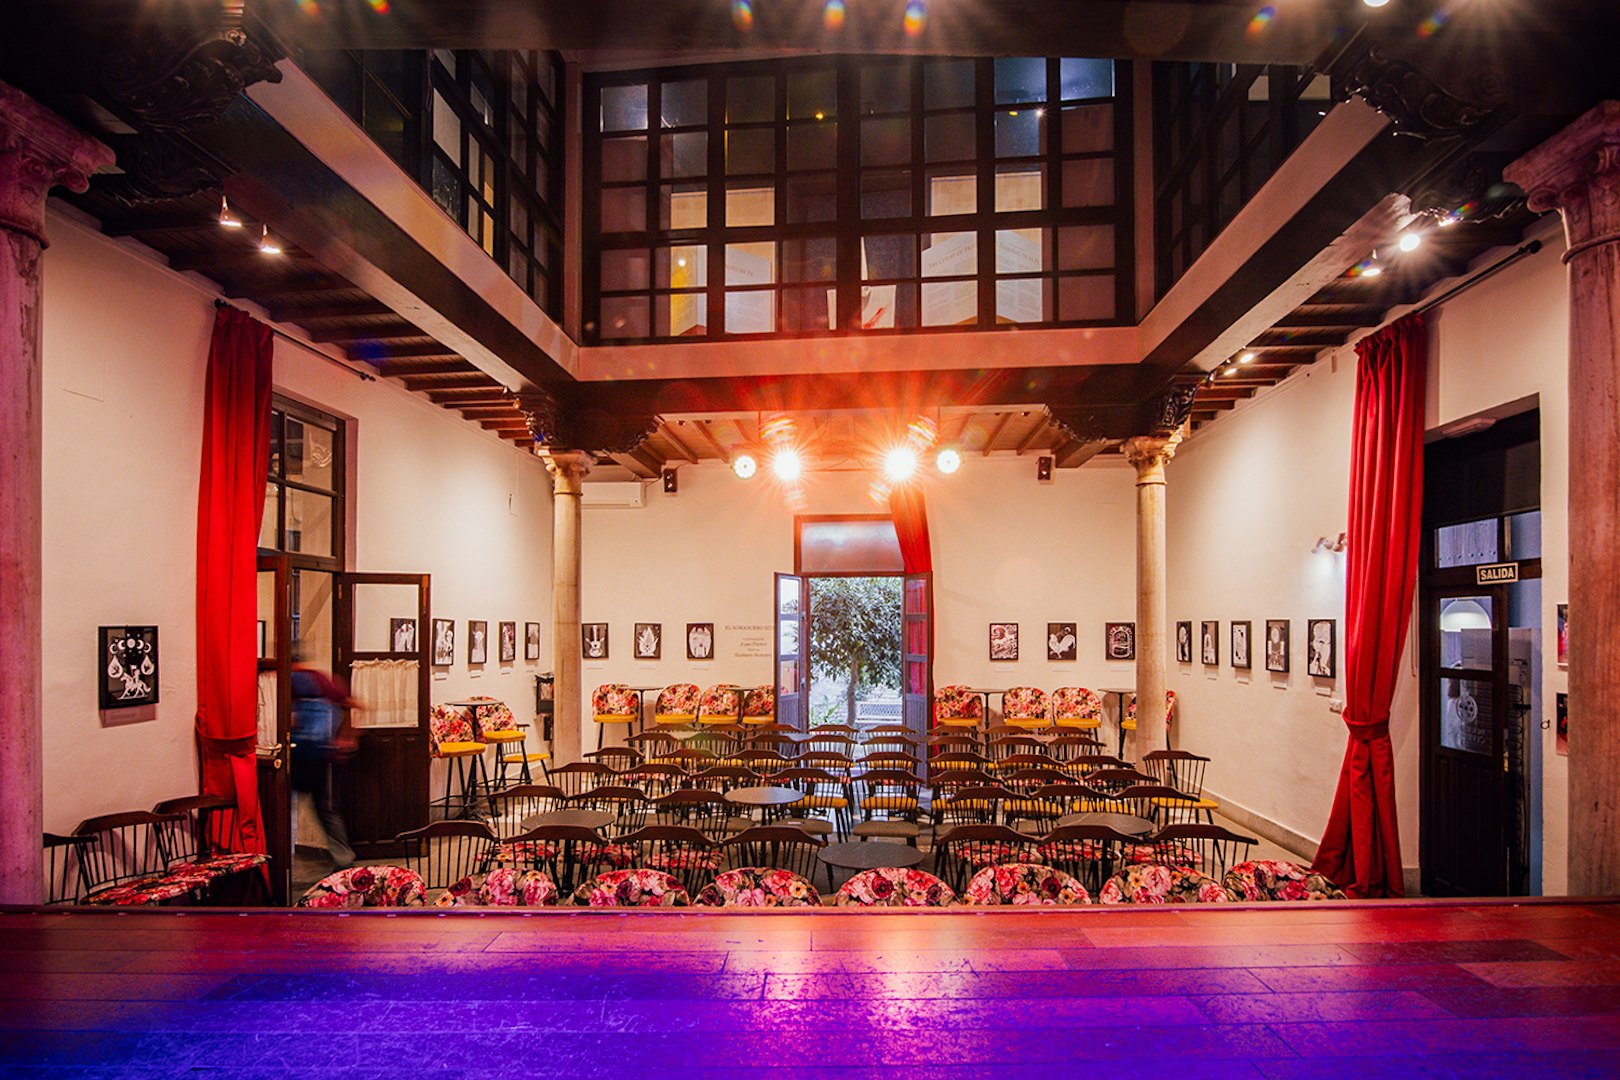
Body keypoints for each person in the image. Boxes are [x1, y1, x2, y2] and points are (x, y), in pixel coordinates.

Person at [290, 651, 360, 870]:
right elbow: (353, 703)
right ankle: (344, 857)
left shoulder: (294, 679)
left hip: (298, 755)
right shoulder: (323, 679)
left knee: (284, 810)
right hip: (321, 754)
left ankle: (277, 860)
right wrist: (345, 737)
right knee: (326, 811)